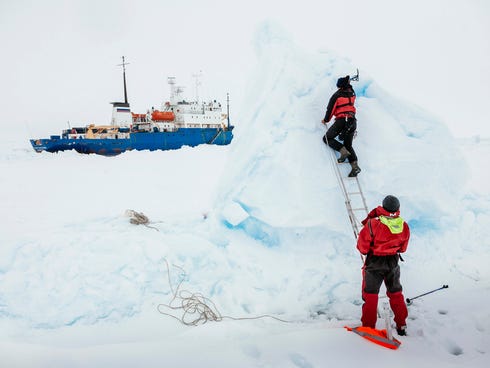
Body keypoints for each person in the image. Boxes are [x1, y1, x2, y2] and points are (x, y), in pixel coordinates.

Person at [356, 195, 410, 336]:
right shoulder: (403, 225)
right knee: (396, 293)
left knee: (371, 295)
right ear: (397, 209)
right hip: (392, 261)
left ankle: (368, 327)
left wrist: (371, 251)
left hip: (375, 262)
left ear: (383, 207)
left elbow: (362, 247)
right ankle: (401, 324)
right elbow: (403, 248)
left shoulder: (373, 224)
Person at [321, 75, 361, 177]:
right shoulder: (352, 93)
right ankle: (355, 167)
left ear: (340, 86)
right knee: (349, 145)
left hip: (342, 120)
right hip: (352, 122)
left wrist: (326, 120)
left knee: (327, 138)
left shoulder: (337, 95)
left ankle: (343, 152)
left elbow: (330, 110)